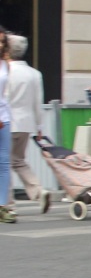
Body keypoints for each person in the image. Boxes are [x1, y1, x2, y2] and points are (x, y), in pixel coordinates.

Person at [4, 34, 49, 212]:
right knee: (18, 161)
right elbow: (38, 103)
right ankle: (38, 190)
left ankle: (7, 204)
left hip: (6, 123)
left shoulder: (5, 72)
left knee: (4, 164)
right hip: (25, 124)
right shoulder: (34, 74)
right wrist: (39, 127)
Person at [0, 26, 11, 223]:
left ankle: (2, 205)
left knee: (4, 163)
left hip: (5, 116)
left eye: (2, 41)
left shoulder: (5, 64)